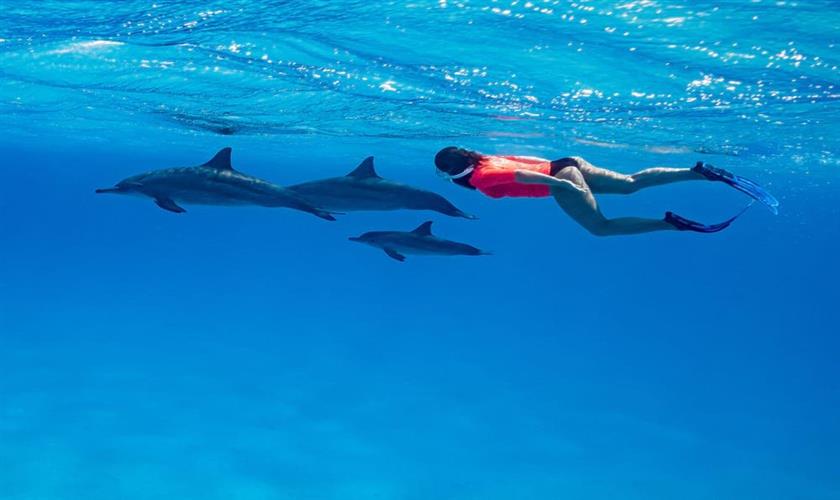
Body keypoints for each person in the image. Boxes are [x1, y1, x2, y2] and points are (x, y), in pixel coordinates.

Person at [433, 147, 777, 236]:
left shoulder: (481, 178)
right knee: (630, 184)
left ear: (454, 172)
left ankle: (672, 224)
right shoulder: (485, 159)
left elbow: (522, 175)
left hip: (562, 179)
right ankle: (700, 172)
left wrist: (561, 183)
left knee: (601, 229)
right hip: (567, 162)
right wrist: (561, 169)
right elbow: (528, 162)